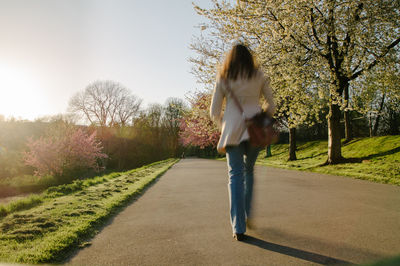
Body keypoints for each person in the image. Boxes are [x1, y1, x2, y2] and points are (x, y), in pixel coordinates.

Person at [210, 44, 276, 241]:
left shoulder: (224, 77)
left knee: (235, 176)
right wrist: (262, 117)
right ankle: (247, 213)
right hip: (255, 129)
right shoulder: (259, 75)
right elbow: (271, 104)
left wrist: (224, 123)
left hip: (232, 131)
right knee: (249, 171)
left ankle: (238, 227)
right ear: (249, 58)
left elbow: (214, 112)